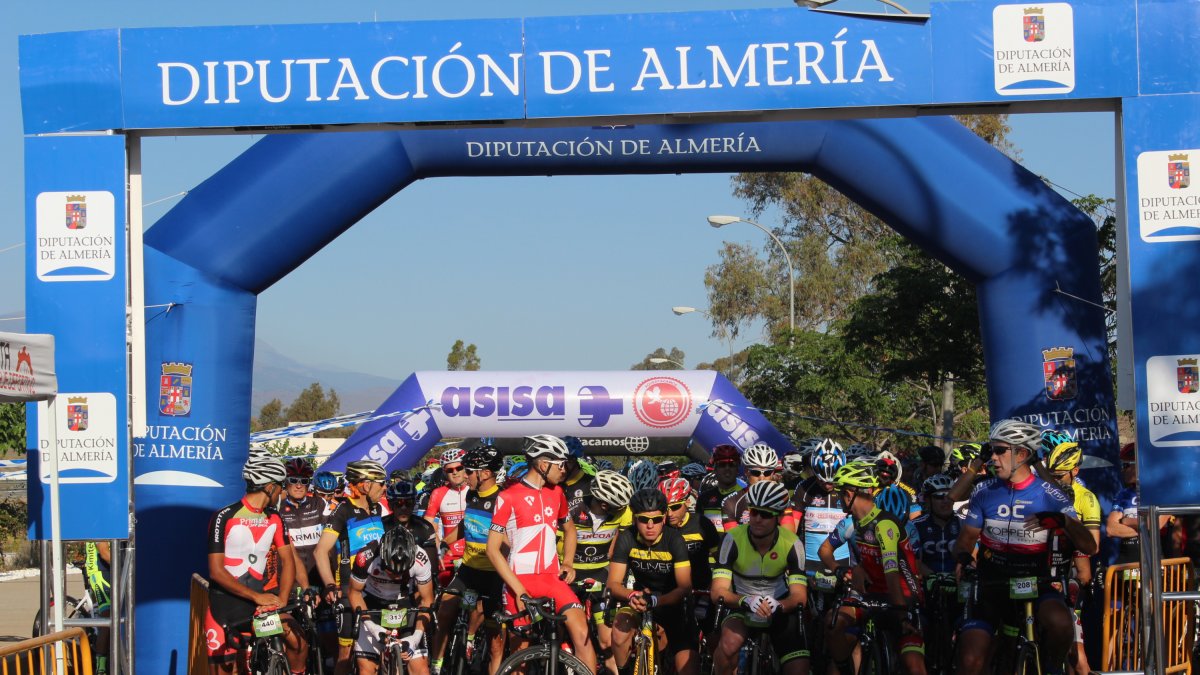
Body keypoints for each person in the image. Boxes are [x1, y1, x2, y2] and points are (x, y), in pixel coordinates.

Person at [952, 419, 1098, 675]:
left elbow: (1089, 546)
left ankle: (1051, 667)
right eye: (992, 450)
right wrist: (963, 559)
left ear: (1022, 454)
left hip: (1035, 583)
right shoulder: (984, 491)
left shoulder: (1049, 494)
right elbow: (964, 541)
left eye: (1000, 450)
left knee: (1061, 623)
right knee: (970, 659)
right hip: (992, 584)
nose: (993, 458)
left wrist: (1064, 521)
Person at [485, 434, 597, 673]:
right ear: (543, 464)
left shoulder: (557, 493)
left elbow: (570, 530)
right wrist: (518, 590)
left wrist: (568, 562)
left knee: (582, 633)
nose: (565, 469)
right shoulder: (508, 496)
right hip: (519, 582)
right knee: (520, 654)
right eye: (561, 464)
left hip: (551, 579)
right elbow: (492, 550)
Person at [203, 453, 308, 675]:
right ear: (269, 487)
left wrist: (281, 598)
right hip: (225, 608)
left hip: (261, 607)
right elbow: (216, 571)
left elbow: (288, 561)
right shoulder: (225, 516)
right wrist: (256, 597)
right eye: (280, 486)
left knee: (299, 643)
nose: (281, 491)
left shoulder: (275, 518)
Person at [826, 460, 926, 675]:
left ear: (852, 492)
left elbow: (891, 572)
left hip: (901, 597)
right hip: (872, 595)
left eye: (841, 492)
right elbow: (830, 551)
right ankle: (846, 669)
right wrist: (850, 569)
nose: (838, 498)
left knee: (914, 666)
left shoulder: (884, 524)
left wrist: (901, 614)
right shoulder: (858, 521)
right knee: (832, 624)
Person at [711, 480, 810, 675]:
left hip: (779, 602)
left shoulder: (792, 543)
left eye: (765, 514)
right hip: (741, 603)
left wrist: (780, 605)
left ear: (778, 517)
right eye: (753, 512)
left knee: (799, 668)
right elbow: (718, 592)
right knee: (729, 644)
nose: (757, 519)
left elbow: (800, 597)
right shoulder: (732, 540)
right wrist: (745, 600)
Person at [431, 445, 506, 675]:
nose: (464, 476)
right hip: (468, 569)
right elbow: (466, 525)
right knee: (445, 611)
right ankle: (436, 665)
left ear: (484, 474)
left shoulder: (502, 499)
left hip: (493, 574)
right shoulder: (472, 494)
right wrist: (445, 543)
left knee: (495, 642)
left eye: (469, 471)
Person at [608, 488, 698, 675]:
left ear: (664, 518)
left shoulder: (674, 539)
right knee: (618, 633)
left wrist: (656, 601)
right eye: (643, 519)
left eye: (656, 520)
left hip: (673, 604)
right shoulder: (627, 538)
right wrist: (631, 595)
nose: (650, 526)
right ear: (634, 519)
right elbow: (614, 584)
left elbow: (685, 587)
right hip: (640, 599)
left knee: (687, 669)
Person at [314, 459, 388, 675]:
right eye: (381, 483)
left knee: (382, 647)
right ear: (366, 485)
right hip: (348, 588)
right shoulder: (343, 510)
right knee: (346, 653)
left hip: (376, 586)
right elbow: (320, 552)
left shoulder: (378, 508)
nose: (385, 488)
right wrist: (330, 585)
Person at [1041, 433, 1102, 675]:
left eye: (1059, 476)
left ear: (1074, 471)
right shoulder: (1041, 492)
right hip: (1038, 574)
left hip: (1070, 576)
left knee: (1075, 655)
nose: (1054, 481)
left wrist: (1076, 581)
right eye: (1051, 476)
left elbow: (1092, 546)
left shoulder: (1086, 499)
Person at [569, 469, 634, 675]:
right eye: (618, 506)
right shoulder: (573, 509)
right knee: (570, 636)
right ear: (604, 504)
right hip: (570, 574)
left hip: (600, 573)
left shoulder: (623, 512)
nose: (622, 509)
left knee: (606, 642)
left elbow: (618, 548)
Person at [347, 527, 435, 675]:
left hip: (404, 604)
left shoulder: (421, 558)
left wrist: (416, 637)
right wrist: (373, 628)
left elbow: (427, 600)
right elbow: (354, 592)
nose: (396, 575)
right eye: (390, 570)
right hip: (372, 604)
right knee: (366, 670)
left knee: (421, 670)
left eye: (402, 571)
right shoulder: (366, 556)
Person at [424, 448, 470, 579]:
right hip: (448, 555)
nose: (455, 473)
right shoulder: (438, 493)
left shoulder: (474, 490)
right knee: (446, 597)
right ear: (445, 472)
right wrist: (439, 549)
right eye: (450, 470)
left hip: (474, 555)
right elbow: (428, 524)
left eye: (459, 468)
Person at [279, 458, 325, 589]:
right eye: (293, 480)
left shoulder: (319, 504)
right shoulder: (277, 509)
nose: (298, 486)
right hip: (291, 577)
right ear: (286, 483)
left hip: (319, 573)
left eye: (303, 481)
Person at [721, 443, 784, 531]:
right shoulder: (730, 502)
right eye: (756, 473)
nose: (761, 478)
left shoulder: (781, 499)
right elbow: (732, 538)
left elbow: (789, 535)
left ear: (773, 473)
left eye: (767, 473)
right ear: (747, 471)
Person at [698, 444, 743, 531]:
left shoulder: (747, 496)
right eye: (722, 465)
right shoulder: (704, 499)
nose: (727, 468)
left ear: (737, 469)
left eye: (731, 464)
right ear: (715, 469)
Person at [561, 436, 594, 513]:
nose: (558, 466)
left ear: (572, 460)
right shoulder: (553, 484)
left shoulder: (591, 484)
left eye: (561, 461)